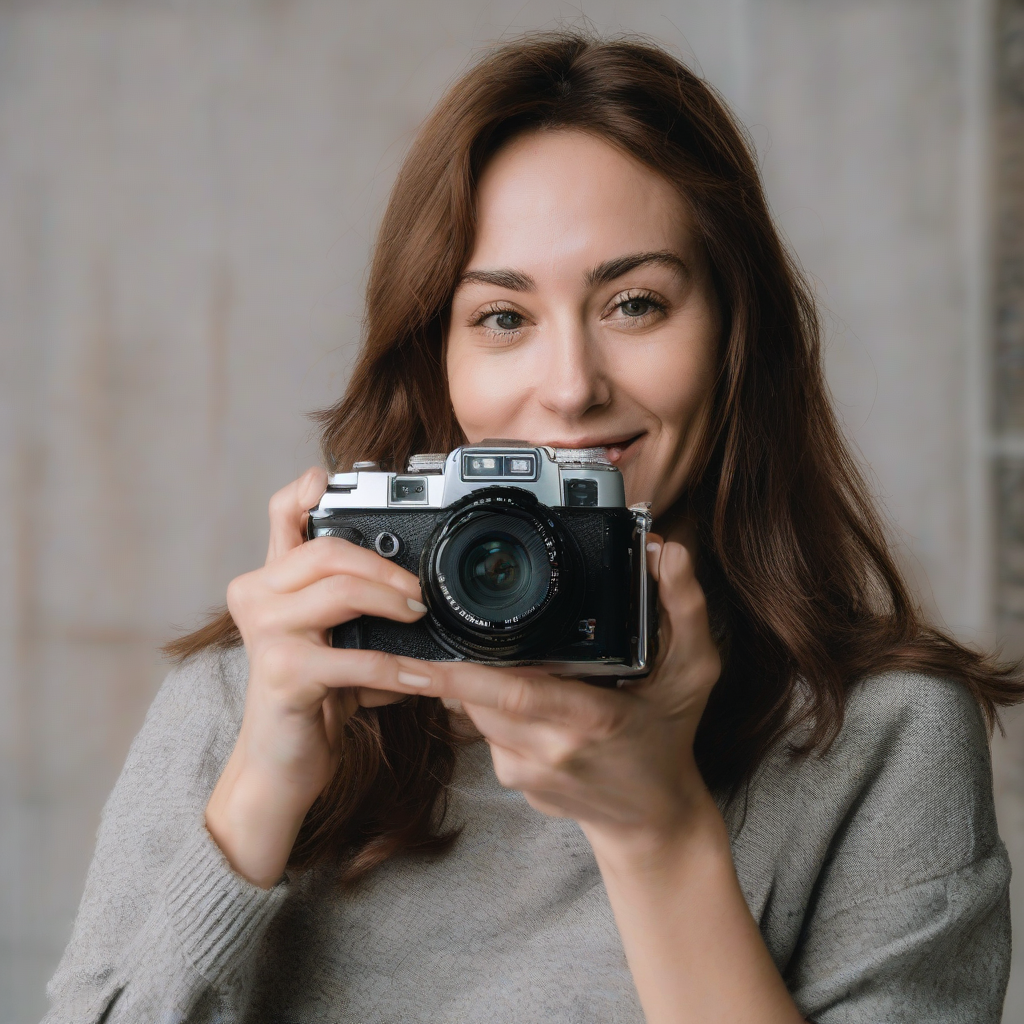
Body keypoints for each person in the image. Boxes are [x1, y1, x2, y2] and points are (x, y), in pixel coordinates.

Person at [44, 32, 1022, 1024]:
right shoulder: (257, 695)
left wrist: (657, 830)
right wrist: (262, 784)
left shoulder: (879, 736)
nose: (570, 388)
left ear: (734, 334)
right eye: (503, 318)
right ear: (438, 361)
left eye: (635, 304)